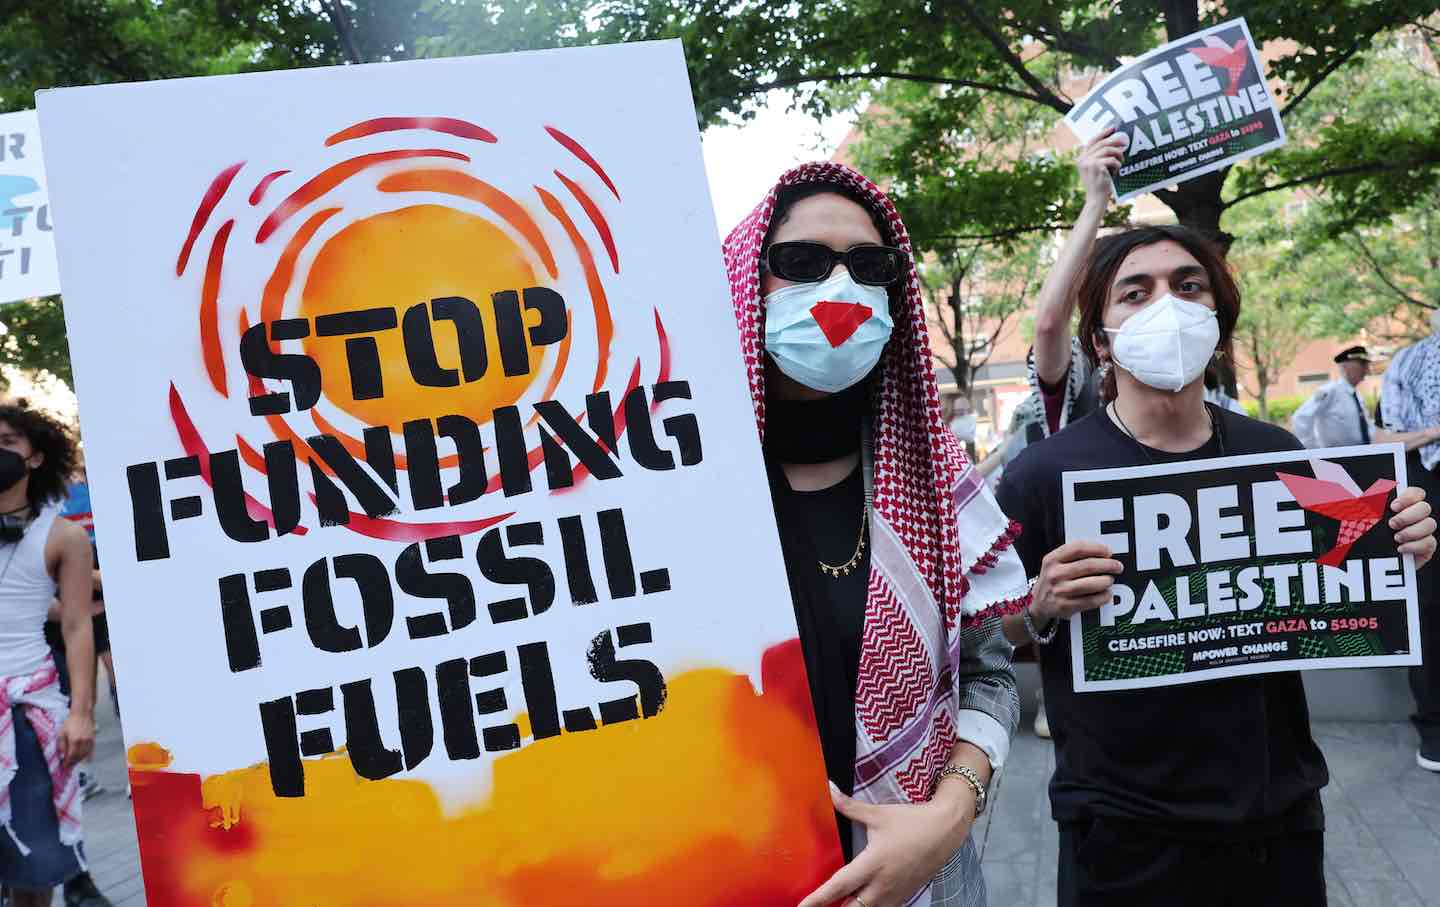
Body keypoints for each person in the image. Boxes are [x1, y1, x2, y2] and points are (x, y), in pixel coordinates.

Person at [992, 213, 1437, 905]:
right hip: (1121, 830)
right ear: (1102, 339)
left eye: (1188, 285)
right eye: (1135, 292)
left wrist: (1400, 539)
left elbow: (1346, 577)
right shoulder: (1044, 474)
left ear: (1218, 319)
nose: (1166, 305)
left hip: (1278, 815)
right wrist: (1039, 604)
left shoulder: (1279, 453)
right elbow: (983, 636)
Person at [724, 162, 1031, 907]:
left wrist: (949, 814)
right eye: (799, 263)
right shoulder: (686, 487)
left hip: (925, 884)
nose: (841, 290)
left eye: (869, 265)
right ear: (741, 284)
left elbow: (990, 677)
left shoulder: (930, 476)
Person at [0, 405, 101, 907]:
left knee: (34, 871)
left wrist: (82, 714)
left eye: (7, 443)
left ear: (36, 457)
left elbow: (79, 625)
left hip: (26, 713)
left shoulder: (63, 537)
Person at [1382, 309, 1440, 772]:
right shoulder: (1408, 361)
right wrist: (1434, 432)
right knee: (1429, 607)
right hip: (1429, 483)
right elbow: (1385, 437)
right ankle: (1434, 728)